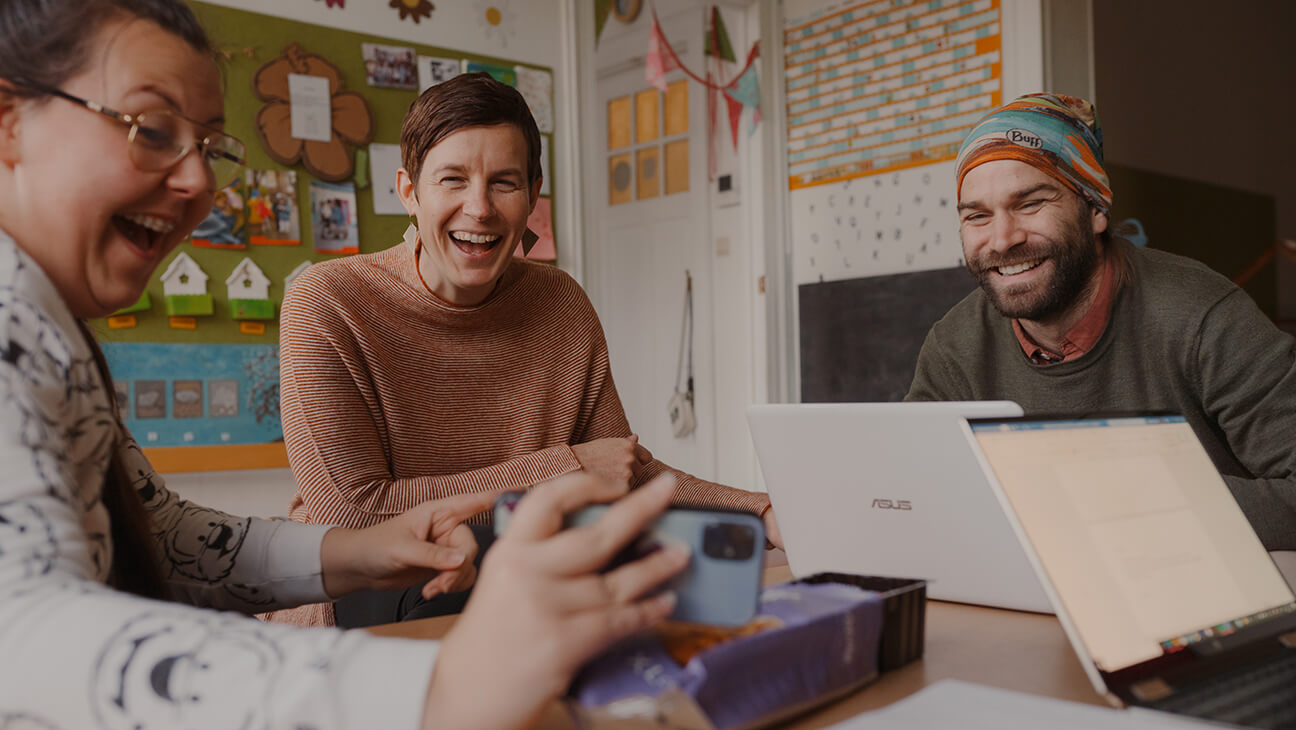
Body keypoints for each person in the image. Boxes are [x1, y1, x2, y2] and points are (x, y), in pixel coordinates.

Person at [0, 1, 690, 727]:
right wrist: (438, 686)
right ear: (11, 121)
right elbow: (25, 633)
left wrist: (357, 551)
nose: (199, 184)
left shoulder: (47, 322)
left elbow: (167, 539)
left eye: (208, 146)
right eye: (153, 130)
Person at [270, 72, 782, 627]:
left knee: (674, 573)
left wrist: (763, 511)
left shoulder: (560, 301)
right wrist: (562, 471)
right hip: (370, 591)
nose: (480, 208)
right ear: (409, 191)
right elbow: (348, 512)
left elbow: (621, 471)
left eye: (504, 183)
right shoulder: (327, 302)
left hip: (525, 576)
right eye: (453, 179)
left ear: (533, 196)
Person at [906, 93, 1296, 549]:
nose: (1003, 239)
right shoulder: (954, 346)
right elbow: (911, 492)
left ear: (1095, 211)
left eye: (1030, 204)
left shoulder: (1203, 316)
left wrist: (1119, 504)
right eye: (977, 216)